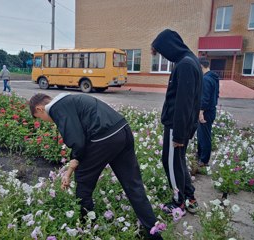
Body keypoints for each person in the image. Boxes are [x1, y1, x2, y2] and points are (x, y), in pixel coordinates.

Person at [29, 93, 163, 240]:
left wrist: (74, 162)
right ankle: (154, 233)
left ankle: (88, 229)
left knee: (83, 184)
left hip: (104, 138)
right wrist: (72, 164)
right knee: (134, 186)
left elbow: (78, 142)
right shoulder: (69, 99)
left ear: (40, 109)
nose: (47, 121)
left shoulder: (56, 107)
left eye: (40, 118)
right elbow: (81, 136)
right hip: (122, 129)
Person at [151, 29, 202, 215]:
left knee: (170, 162)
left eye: (163, 52)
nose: (164, 57)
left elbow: (184, 103)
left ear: (170, 47)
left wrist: (179, 134)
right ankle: (190, 196)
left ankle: (178, 201)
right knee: (178, 162)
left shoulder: (185, 65)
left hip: (176, 126)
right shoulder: (189, 61)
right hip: (179, 125)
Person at [197, 57, 220, 167]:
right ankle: (200, 156)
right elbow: (216, 94)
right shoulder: (213, 77)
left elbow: (205, 98)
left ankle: (204, 160)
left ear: (201, 66)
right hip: (211, 110)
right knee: (204, 134)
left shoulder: (206, 79)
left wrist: (200, 112)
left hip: (205, 112)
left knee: (204, 136)